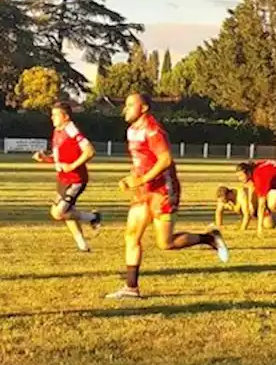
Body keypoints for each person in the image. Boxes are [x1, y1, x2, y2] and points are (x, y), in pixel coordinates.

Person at [106, 93, 229, 300]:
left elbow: (165, 159)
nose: (125, 109)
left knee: (166, 243)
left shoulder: (153, 130)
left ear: (144, 108)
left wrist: (142, 179)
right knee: (131, 235)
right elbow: (142, 160)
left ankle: (209, 237)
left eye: (130, 105)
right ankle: (131, 288)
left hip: (163, 190)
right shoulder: (131, 131)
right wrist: (131, 178)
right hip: (144, 190)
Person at [32, 101, 101, 252]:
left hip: (76, 180)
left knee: (59, 213)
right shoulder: (57, 131)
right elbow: (59, 158)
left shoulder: (71, 130)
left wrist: (72, 166)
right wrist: (45, 158)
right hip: (63, 179)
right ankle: (83, 245)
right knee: (64, 212)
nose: (52, 118)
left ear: (66, 117)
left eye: (55, 115)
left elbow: (90, 151)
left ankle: (92, 217)